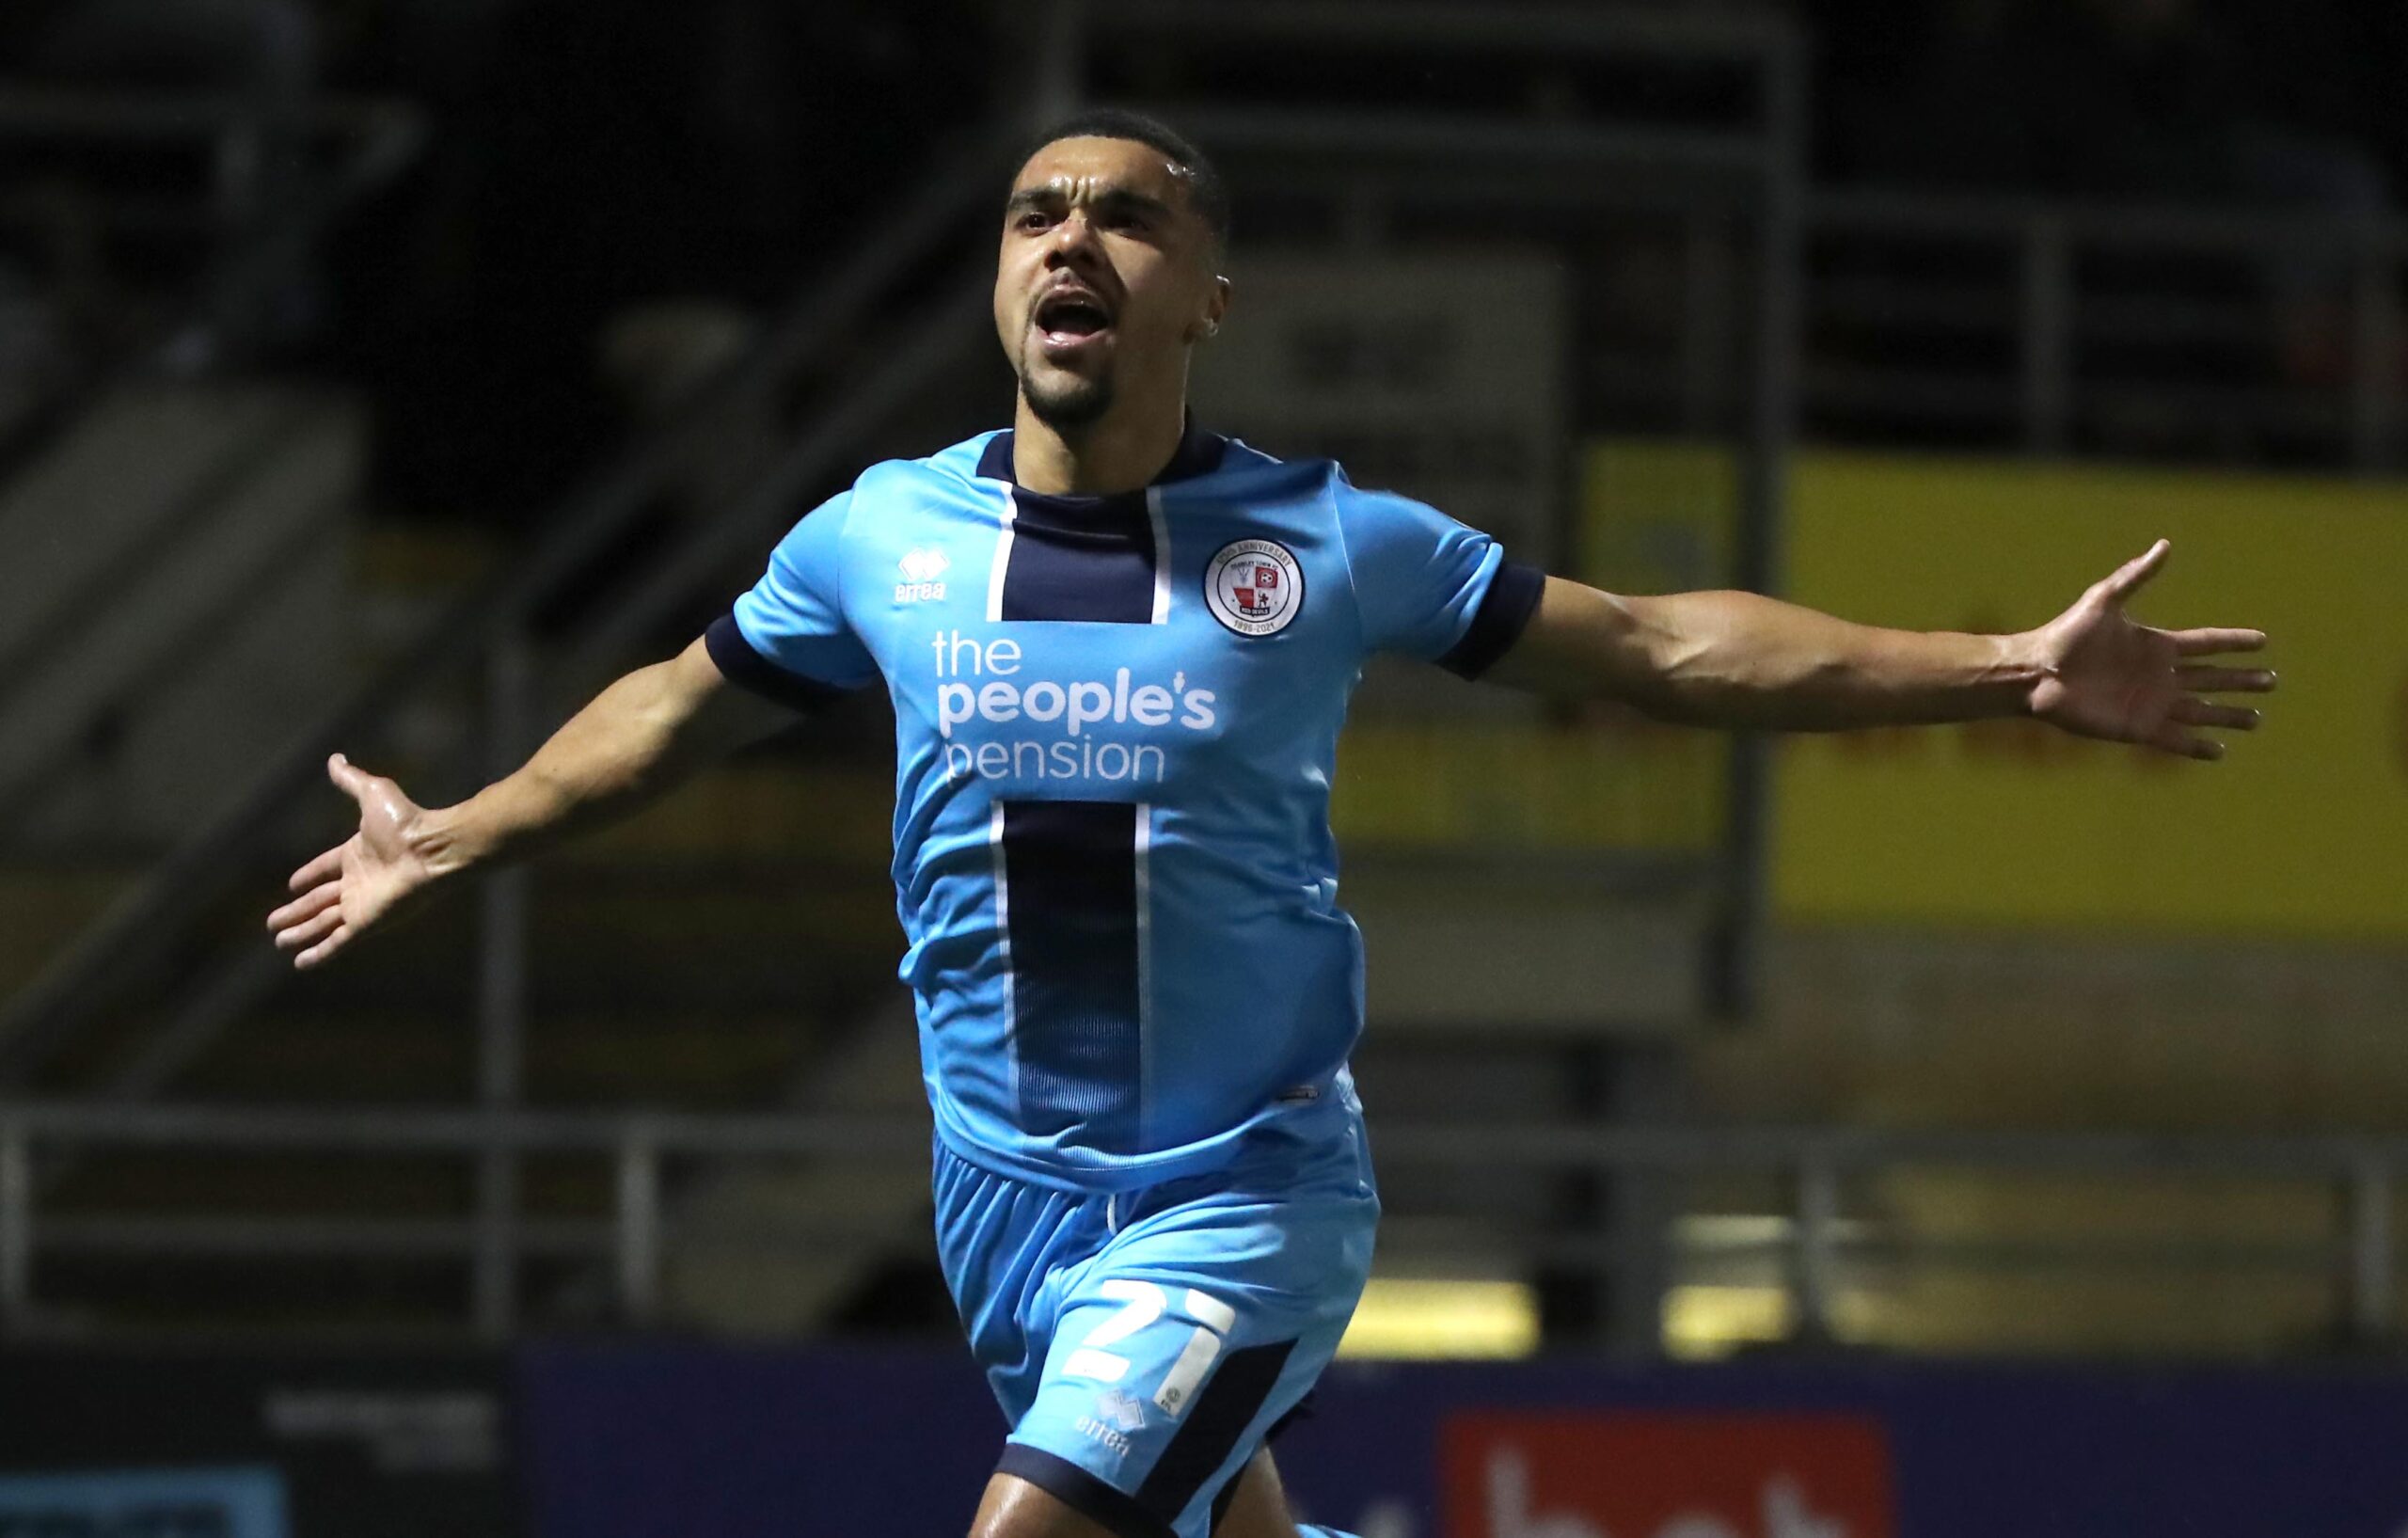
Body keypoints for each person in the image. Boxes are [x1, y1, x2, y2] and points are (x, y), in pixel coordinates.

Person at [265, 109, 2274, 1538]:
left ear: (1205, 294)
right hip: (999, 1202)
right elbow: (673, 705)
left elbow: (1665, 640)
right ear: (996, 279)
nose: (1071, 241)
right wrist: (457, 833)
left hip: (1238, 1198)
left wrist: (2000, 664)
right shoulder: (879, 535)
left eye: (1127, 218)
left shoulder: (1323, 541)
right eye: (1035, 214)